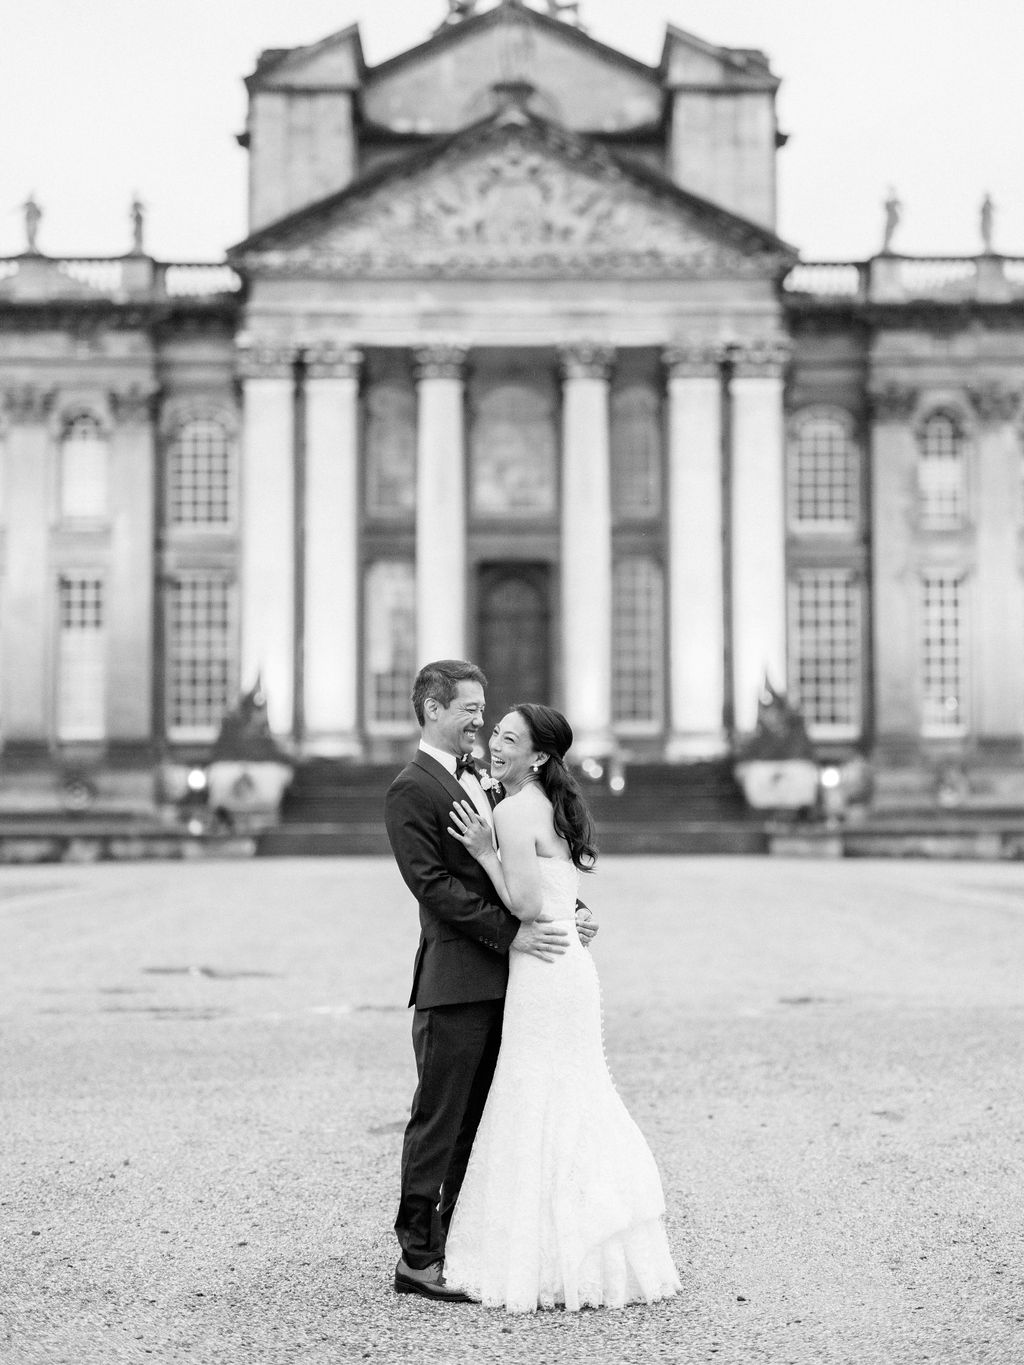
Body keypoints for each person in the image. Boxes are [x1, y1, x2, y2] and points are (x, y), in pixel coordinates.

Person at [442, 703, 681, 1313]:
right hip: (569, 962)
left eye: (510, 739)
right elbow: (561, 891)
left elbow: (524, 905)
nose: (495, 743)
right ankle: (584, 1243)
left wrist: (483, 850)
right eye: (495, 732)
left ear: (540, 755)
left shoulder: (515, 810)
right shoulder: (552, 804)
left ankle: (539, 1252)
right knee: (569, 1092)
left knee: (535, 1094)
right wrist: (572, 916)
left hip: (542, 969)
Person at [384, 660, 596, 1303]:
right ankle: (417, 1256)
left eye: (483, 709)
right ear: (431, 710)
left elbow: (522, 863)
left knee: (483, 1121)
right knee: (439, 1120)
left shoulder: (480, 777)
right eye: (468, 708)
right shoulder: (411, 788)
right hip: (455, 980)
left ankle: (456, 1243)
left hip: (511, 981)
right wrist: (514, 935)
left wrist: (568, 911)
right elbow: (434, 888)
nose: (480, 719)